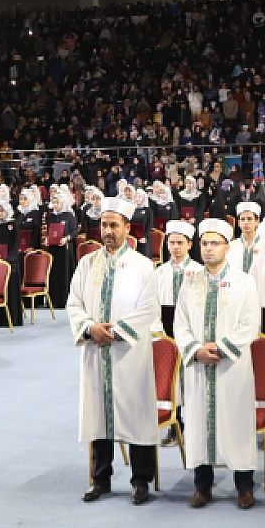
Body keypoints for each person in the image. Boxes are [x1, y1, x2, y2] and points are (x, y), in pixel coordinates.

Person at [68, 197, 159, 504]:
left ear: (127, 228)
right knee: (98, 412)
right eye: (103, 225)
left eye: (113, 225)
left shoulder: (143, 266)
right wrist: (90, 327)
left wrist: (115, 332)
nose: (107, 231)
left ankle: (141, 480)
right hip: (95, 350)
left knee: (136, 412)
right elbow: (74, 303)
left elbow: (148, 309)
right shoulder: (86, 263)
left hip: (128, 352)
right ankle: (100, 478)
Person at [175, 218, 263, 509]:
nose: (209, 249)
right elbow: (180, 324)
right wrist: (196, 350)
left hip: (232, 367)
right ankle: (202, 485)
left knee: (236, 422)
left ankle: (244, 486)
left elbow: (250, 324)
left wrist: (222, 348)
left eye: (215, 243)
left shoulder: (244, 281)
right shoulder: (190, 282)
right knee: (199, 422)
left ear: (227, 247)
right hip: (199, 366)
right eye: (204, 243)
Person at [153, 220, 197, 338]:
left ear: (189, 245)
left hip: (192, 328)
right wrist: (160, 335)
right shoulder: (159, 273)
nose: (175, 246)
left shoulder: (199, 271)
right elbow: (154, 306)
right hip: (165, 329)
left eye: (180, 243)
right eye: (172, 243)